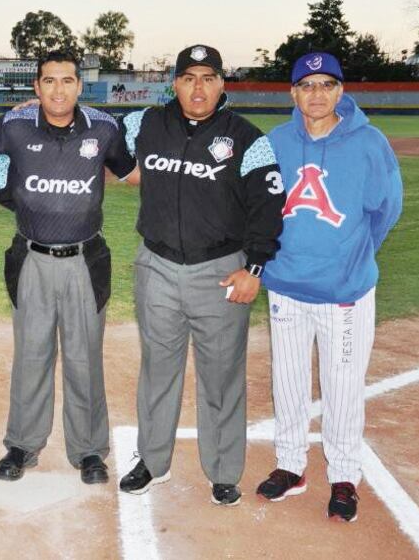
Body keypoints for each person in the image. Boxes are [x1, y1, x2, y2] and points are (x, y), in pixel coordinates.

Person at [118, 44, 286, 505]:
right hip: (156, 265)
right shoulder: (145, 124)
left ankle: (224, 470)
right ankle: (153, 462)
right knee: (158, 369)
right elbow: (90, 133)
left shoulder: (248, 138)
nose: (198, 87)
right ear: (173, 83)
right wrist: (36, 109)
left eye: (208, 77)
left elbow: (268, 207)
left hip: (220, 270)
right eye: (189, 77)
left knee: (221, 374)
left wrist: (254, 268)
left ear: (222, 83)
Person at [255, 52, 403, 522]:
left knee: (342, 386)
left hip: (344, 292)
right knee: (289, 382)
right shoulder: (277, 141)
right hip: (285, 286)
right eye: (307, 85)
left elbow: (387, 210)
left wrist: (354, 255)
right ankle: (290, 465)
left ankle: (343, 475)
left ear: (340, 91)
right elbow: (258, 206)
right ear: (293, 93)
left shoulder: (369, 143)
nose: (316, 94)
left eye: (326, 84)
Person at [0, 50, 136, 485]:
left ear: (79, 85)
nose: (58, 89)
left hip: (85, 260)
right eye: (48, 81)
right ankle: (22, 444)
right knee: (31, 356)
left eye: (67, 80)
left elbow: (132, 171)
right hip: (31, 258)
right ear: (36, 87)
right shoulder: (13, 125)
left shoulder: (104, 128)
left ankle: (89, 450)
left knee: (84, 359)